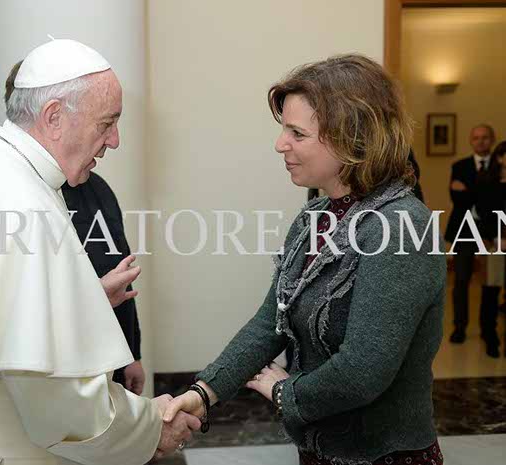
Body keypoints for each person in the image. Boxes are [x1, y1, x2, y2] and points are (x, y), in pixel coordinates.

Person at [0, 39, 199, 465]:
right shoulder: (23, 202)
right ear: (54, 116)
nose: (114, 140)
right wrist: (152, 425)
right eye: (107, 123)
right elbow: (63, 406)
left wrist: (87, 300)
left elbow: (3, 313)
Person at [164, 55, 446, 464]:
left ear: (351, 138)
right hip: (318, 450)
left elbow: (363, 371)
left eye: (297, 133)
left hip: (387, 455)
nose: (280, 144)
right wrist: (203, 393)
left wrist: (285, 392)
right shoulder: (315, 216)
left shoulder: (402, 226)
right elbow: (269, 323)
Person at [5, 61, 145, 393]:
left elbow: (120, 274)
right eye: (106, 123)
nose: (114, 140)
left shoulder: (97, 188)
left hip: (105, 360)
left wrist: (131, 354)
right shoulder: (15, 194)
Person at [444, 124, 497, 344]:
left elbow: (496, 200)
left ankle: (488, 330)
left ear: (492, 139)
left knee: (490, 282)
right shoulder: (459, 166)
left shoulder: (500, 166)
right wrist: (484, 194)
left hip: (491, 231)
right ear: (470, 140)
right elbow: (457, 199)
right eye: (476, 137)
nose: (480, 141)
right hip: (464, 229)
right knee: (461, 280)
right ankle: (459, 327)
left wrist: (470, 191)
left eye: (485, 137)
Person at [480, 140, 506, 357]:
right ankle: (490, 337)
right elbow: (484, 216)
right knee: (491, 292)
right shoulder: (489, 184)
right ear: (499, 158)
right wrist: (496, 238)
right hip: (494, 244)